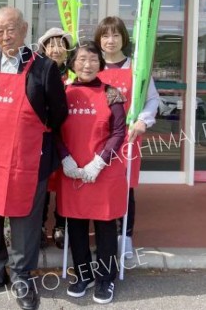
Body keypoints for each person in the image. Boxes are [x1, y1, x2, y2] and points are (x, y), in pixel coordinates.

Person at [0, 7, 68, 310]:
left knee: (24, 218)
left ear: (25, 29)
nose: (5, 36)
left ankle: (22, 276)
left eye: (11, 28)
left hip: (26, 159)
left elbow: (59, 113)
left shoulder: (43, 67)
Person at [56, 41, 127, 305]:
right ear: (72, 63)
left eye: (93, 59)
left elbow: (119, 132)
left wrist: (99, 162)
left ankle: (106, 278)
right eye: (82, 59)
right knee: (75, 224)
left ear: (101, 62)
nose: (87, 65)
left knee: (105, 225)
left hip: (103, 170)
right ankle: (83, 274)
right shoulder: (62, 91)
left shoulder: (112, 93)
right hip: (72, 170)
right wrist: (65, 158)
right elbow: (53, 128)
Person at [94, 16, 159, 259]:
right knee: (98, 185)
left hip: (127, 139)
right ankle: (102, 237)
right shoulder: (93, 65)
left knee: (124, 187)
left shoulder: (136, 69)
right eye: (105, 35)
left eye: (116, 35)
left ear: (124, 38)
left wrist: (143, 120)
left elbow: (152, 99)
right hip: (96, 138)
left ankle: (125, 236)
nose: (110, 41)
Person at [37, 27, 72, 249]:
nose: (56, 49)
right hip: (44, 137)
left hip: (70, 137)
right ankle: (39, 226)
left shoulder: (76, 75)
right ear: (44, 49)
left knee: (64, 183)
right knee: (42, 182)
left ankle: (61, 226)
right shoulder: (36, 73)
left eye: (61, 44)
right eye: (51, 45)